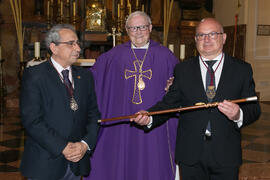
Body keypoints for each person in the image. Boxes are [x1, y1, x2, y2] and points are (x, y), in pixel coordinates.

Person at [131, 18, 261, 180]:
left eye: (212, 34)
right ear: (195, 40)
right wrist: (149, 116)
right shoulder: (183, 69)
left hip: (226, 154)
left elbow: (254, 109)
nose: (206, 39)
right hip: (190, 154)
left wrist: (238, 114)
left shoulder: (242, 69)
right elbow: (169, 103)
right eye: (201, 35)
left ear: (224, 37)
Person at [84, 11, 179, 180]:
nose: (138, 32)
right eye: (133, 28)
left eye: (142, 27)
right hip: (122, 126)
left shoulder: (166, 56)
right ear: (127, 31)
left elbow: (180, 87)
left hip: (155, 127)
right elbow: (92, 81)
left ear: (150, 28)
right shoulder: (112, 57)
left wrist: (175, 84)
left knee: (153, 165)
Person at [20, 24, 101, 180]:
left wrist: (84, 144)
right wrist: (62, 147)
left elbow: (93, 115)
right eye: (71, 43)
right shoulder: (35, 76)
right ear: (54, 48)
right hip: (45, 162)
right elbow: (31, 120)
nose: (77, 48)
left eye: (77, 43)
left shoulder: (85, 77)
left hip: (76, 162)